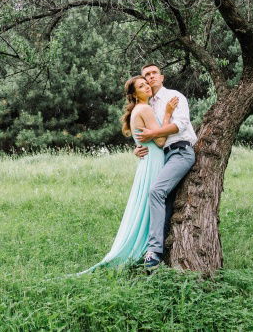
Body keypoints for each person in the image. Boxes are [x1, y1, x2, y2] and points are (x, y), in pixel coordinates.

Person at [81, 75, 177, 273]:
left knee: (148, 204)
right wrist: (167, 114)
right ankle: (151, 252)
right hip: (154, 161)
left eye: (146, 84)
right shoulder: (144, 109)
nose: (147, 87)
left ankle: (148, 250)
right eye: (141, 86)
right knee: (156, 204)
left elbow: (145, 140)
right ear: (134, 94)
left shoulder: (137, 111)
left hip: (147, 161)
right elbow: (160, 142)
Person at [132, 63, 197, 270]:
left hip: (180, 151)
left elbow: (181, 124)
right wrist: (138, 147)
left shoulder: (173, 97)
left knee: (156, 191)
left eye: (153, 73)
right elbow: (145, 132)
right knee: (163, 200)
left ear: (162, 77)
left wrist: (153, 134)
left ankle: (153, 251)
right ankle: (162, 250)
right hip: (162, 157)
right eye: (146, 75)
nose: (150, 77)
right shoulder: (148, 105)